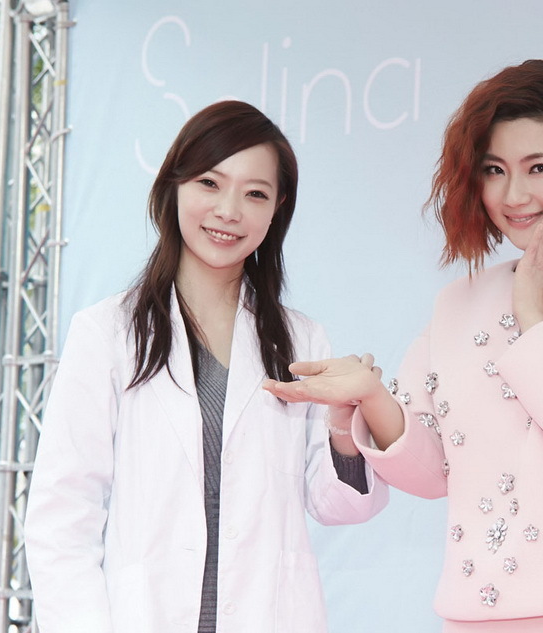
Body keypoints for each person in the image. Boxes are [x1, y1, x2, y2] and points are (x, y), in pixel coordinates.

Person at [264, 60, 543, 632]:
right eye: (494, 170)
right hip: (474, 616)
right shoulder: (458, 302)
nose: (514, 194)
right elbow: (434, 472)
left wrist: (531, 313)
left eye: (540, 167)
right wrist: (372, 399)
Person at [24, 100, 388, 633]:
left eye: (255, 193)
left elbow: (340, 506)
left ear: (277, 208)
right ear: (174, 186)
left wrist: (342, 427)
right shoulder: (107, 334)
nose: (228, 210)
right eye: (210, 183)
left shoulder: (302, 340)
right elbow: (62, 516)